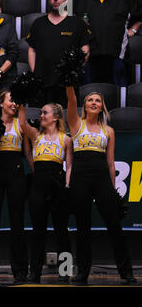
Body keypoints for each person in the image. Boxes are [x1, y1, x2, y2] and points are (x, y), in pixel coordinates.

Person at [65, 86, 136, 285]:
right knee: (82, 227)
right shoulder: (76, 124)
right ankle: (82, 273)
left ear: (102, 107)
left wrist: (113, 191)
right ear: (85, 106)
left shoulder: (109, 131)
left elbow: (111, 163)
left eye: (98, 100)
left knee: (114, 225)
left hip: (102, 178)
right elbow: (70, 99)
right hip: (80, 178)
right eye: (90, 100)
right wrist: (69, 83)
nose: (94, 102)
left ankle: (126, 272)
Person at [18, 103, 72, 284]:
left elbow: (70, 165)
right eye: (40, 112)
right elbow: (22, 123)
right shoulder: (35, 135)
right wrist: (22, 102)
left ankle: (66, 271)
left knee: (62, 231)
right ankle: (34, 273)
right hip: (38, 185)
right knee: (37, 231)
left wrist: (66, 185)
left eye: (45, 113)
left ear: (56, 117)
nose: (41, 115)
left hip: (58, 185)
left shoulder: (66, 139)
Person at [0, 90, 28, 284]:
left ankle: (20, 271)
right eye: (12, 100)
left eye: (17, 101)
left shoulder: (21, 125)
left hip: (16, 173)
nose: (15, 103)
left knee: (17, 223)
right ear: (1, 103)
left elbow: (28, 153)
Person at [27, 0, 90, 108]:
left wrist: (74, 72)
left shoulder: (77, 23)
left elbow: (85, 49)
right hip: (42, 83)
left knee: (67, 120)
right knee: (43, 119)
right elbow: (32, 50)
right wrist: (35, 72)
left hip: (68, 84)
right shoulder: (38, 23)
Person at [74, 0, 139, 86]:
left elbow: (140, 15)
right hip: (89, 59)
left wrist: (134, 29)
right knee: (91, 95)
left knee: (116, 96)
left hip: (117, 57)